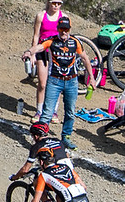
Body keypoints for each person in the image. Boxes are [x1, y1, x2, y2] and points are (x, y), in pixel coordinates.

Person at [31, 17, 86, 150]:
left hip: (72, 81)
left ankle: (66, 137)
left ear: (69, 30)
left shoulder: (75, 42)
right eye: (61, 29)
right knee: (47, 112)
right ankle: (40, 137)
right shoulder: (52, 41)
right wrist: (29, 52)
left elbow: (85, 58)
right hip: (54, 81)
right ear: (58, 29)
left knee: (70, 111)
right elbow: (39, 47)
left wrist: (93, 78)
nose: (64, 32)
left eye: (66, 29)